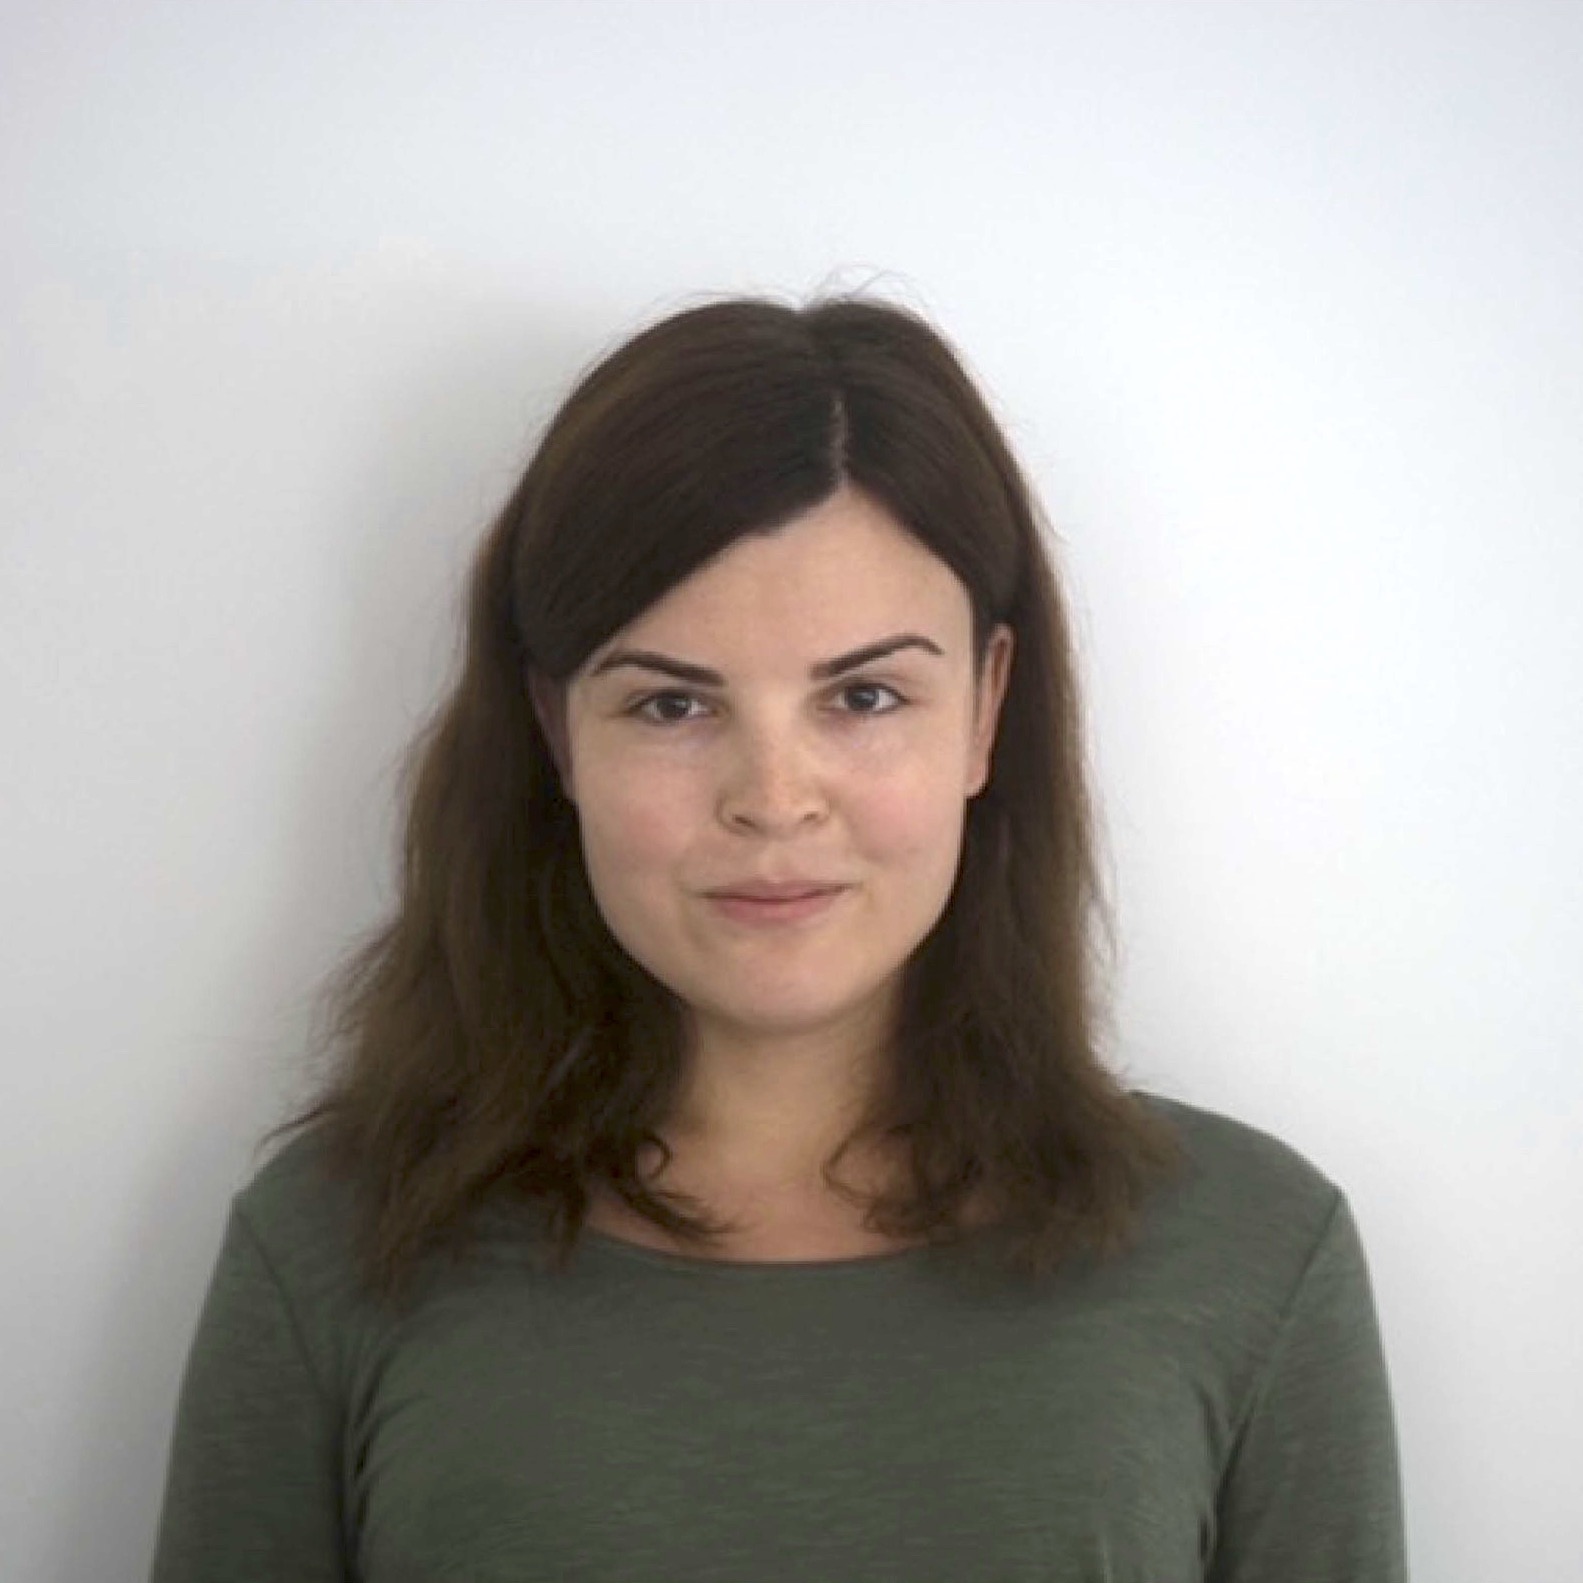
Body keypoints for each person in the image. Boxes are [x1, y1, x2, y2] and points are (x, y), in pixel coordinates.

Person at [147, 293, 1408, 1581]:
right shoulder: (334, 1251)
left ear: (985, 710)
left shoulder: (1254, 1256)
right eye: (672, 704)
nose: (773, 797)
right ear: (555, 731)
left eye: (864, 695)